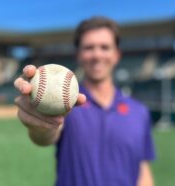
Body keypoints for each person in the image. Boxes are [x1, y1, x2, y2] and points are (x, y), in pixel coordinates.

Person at [14, 16, 155, 186]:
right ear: (78, 55)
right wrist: (41, 125)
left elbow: (142, 167)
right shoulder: (67, 103)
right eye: (89, 48)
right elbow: (45, 136)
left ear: (117, 55)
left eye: (105, 47)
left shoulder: (139, 112)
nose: (97, 55)